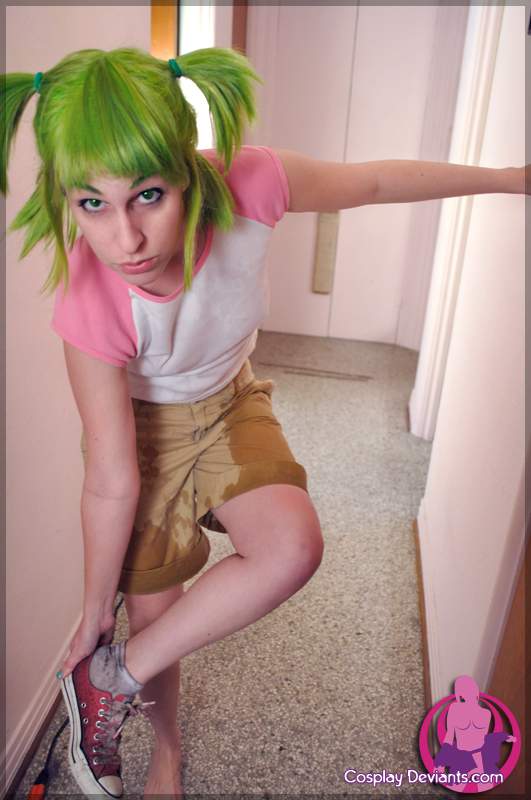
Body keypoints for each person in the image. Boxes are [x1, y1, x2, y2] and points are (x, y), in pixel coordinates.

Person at [2, 45, 527, 800]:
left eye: (148, 195)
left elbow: (373, 182)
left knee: (291, 548)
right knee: (157, 623)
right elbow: (112, 480)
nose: (126, 241)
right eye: (93, 205)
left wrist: (508, 178)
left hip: (230, 400)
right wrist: (92, 613)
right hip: (144, 437)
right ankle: (164, 749)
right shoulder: (90, 303)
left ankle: (107, 681)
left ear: (187, 168)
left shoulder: (251, 184)